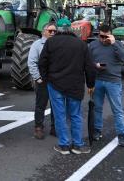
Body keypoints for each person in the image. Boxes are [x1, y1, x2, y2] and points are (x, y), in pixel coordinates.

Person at [39, 18, 96, 155]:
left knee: (60, 115)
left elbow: (42, 63)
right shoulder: (81, 44)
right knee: (75, 115)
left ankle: (63, 145)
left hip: (55, 84)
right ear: (71, 28)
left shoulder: (50, 42)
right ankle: (77, 145)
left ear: (58, 29)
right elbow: (89, 67)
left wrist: (46, 79)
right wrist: (90, 84)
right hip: (75, 85)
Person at [88, 24, 124, 147]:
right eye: (101, 36)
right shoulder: (93, 45)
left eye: (106, 36)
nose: (103, 39)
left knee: (117, 109)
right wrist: (95, 65)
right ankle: (97, 130)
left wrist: (114, 44)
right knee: (97, 108)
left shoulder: (117, 44)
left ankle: (121, 135)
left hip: (113, 81)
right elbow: (87, 61)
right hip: (98, 80)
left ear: (111, 35)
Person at [27, 21, 57, 139]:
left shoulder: (58, 44)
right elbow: (32, 62)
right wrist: (37, 78)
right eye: (50, 31)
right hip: (43, 81)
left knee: (56, 105)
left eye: (55, 31)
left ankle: (55, 127)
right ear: (44, 32)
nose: (53, 33)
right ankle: (38, 127)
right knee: (41, 105)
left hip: (56, 80)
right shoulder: (37, 45)